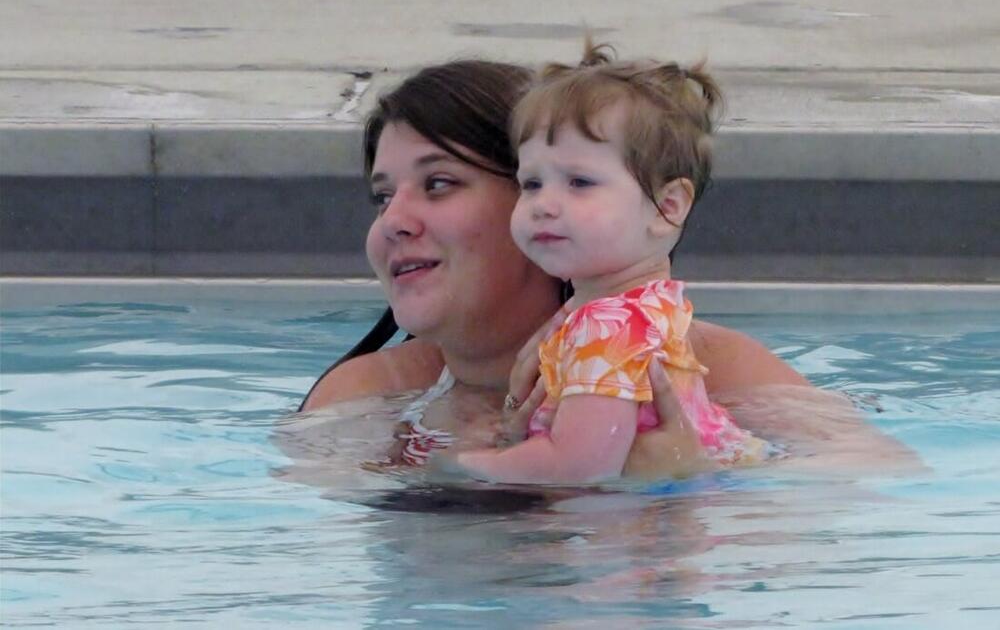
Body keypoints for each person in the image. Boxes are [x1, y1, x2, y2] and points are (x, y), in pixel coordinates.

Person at [297, 55, 912, 480]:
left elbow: (878, 475)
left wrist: (689, 484)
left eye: (438, 184)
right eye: (382, 196)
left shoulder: (707, 368)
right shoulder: (369, 396)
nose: (392, 222)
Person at [445, 44, 770, 484]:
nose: (543, 204)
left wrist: (460, 467)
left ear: (667, 207)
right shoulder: (651, 308)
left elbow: (578, 468)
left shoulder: (608, 326)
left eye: (579, 182)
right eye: (532, 183)